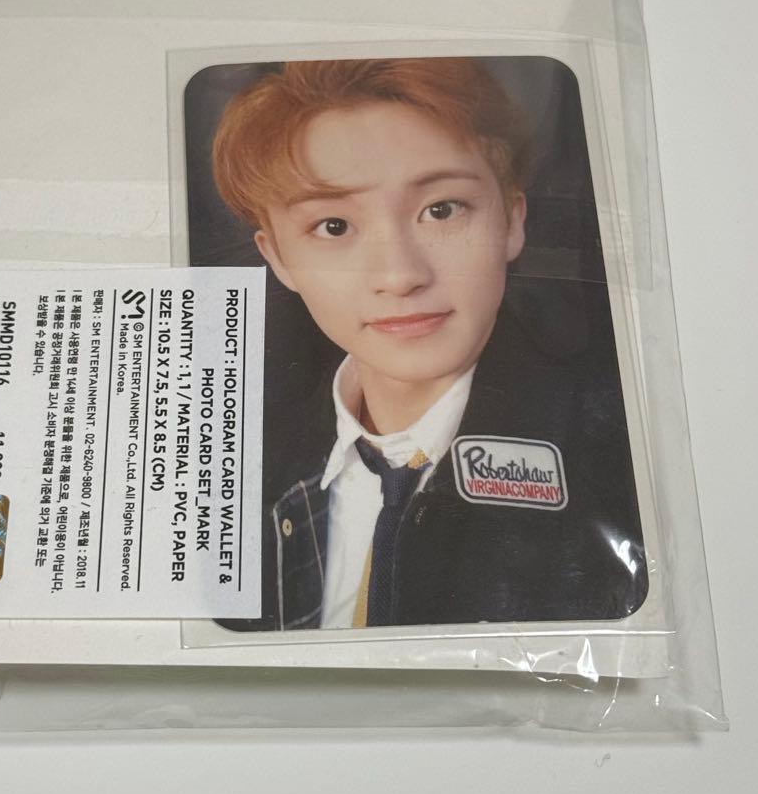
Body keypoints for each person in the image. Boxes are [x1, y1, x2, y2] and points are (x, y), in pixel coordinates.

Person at [210, 58, 646, 630]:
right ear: (278, 259)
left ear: (512, 221)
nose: (399, 276)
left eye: (441, 210)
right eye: (334, 226)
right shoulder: (229, 473)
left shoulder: (625, 464)